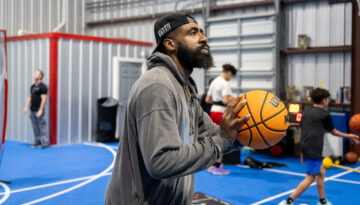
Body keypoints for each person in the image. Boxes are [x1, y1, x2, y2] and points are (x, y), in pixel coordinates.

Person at [105, 12, 250, 205]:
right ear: (170, 44)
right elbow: (161, 162)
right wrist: (222, 140)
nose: (203, 38)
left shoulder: (185, 89)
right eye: (193, 33)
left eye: (202, 32)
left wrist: (251, 133)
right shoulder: (158, 86)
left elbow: (213, 133)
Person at [279, 88, 359, 205]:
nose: (328, 101)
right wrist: (349, 135)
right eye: (327, 99)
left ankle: (322, 201)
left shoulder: (305, 112)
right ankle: (288, 201)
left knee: (321, 173)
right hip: (314, 149)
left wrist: (302, 150)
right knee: (310, 178)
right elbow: (333, 131)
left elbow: (303, 130)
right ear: (324, 100)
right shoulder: (325, 114)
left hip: (306, 146)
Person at [205, 64, 237, 175]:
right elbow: (225, 101)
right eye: (231, 76)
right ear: (228, 73)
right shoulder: (225, 83)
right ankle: (217, 167)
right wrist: (234, 100)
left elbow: (207, 99)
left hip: (213, 111)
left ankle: (211, 165)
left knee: (214, 138)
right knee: (223, 139)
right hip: (221, 113)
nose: (230, 78)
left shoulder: (214, 81)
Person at [24, 69, 50, 148]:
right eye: (34, 73)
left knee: (42, 126)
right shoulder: (33, 86)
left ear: (40, 76)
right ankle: (37, 142)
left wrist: (40, 110)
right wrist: (26, 107)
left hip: (39, 110)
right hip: (32, 109)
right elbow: (30, 97)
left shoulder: (43, 87)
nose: (34, 75)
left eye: (36, 73)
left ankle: (45, 142)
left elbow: (43, 99)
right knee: (35, 127)